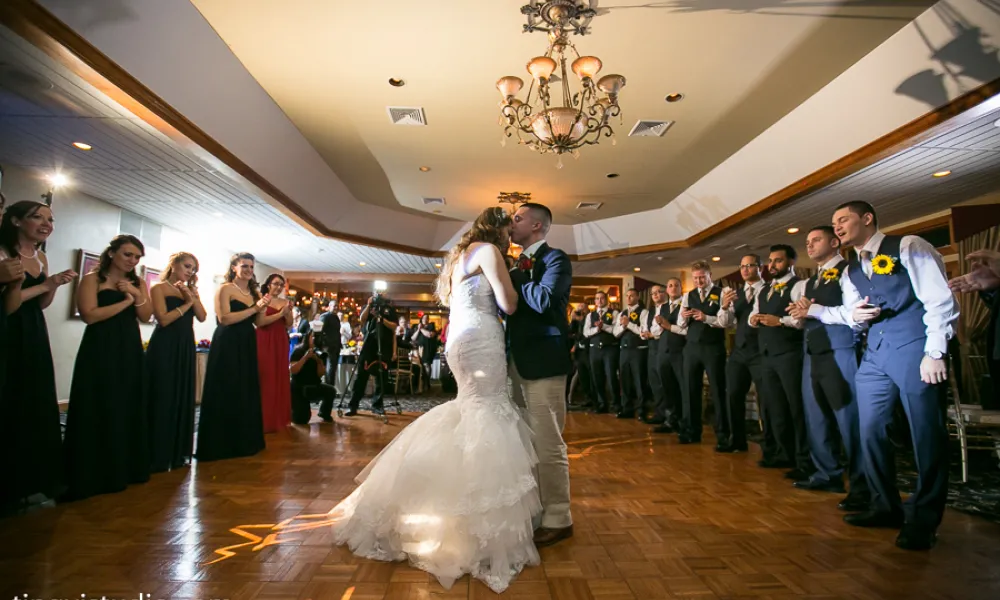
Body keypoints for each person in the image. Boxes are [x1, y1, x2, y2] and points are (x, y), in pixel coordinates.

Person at [328, 206, 539, 593]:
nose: (512, 237)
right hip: (482, 340)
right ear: (499, 230)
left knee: (469, 410)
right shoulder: (490, 253)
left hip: (461, 339)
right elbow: (508, 304)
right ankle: (477, 525)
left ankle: (449, 508)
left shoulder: (462, 257)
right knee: (487, 413)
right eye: (510, 230)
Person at [804, 201, 957, 550]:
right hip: (875, 354)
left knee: (926, 435)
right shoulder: (851, 269)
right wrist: (832, 312)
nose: (837, 227)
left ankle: (923, 518)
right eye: (834, 222)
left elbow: (939, 301)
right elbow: (851, 313)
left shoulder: (908, 247)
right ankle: (884, 505)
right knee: (869, 430)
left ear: (867, 218)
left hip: (916, 348)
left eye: (843, 219)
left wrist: (935, 352)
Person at [62, 235, 153, 500]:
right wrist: (126, 301)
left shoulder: (136, 283)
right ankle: (91, 471)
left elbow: (146, 316)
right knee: (98, 401)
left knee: (126, 401)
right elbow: (89, 315)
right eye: (127, 254)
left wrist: (136, 295)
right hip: (100, 347)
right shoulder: (93, 279)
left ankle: (124, 467)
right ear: (112, 253)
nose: (132, 261)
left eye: (136, 257)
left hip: (129, 346)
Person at [505, 202, 574, 547]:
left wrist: (514, 277)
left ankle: (559, 517)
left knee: (548, 444)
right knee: (523, 443)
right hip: (515, 364)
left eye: (517, 218)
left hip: (545, 363)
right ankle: (534, 510)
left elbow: (546, 301)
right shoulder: (512, 263)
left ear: (536, 226)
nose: (510, 222)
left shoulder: (556, 259)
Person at [0, 201, 75, 512]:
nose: (46, 224)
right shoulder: (4, 254)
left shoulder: (41, 256)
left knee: (33, 400)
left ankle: (31, 481)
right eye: (38, 218)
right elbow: (10, 306)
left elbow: (40, 304)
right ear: (16, 221)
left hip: (33, 330)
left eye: (50, 219)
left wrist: (52, 285)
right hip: (9, 331)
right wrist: (44, 284)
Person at [196, 252, 269, 462]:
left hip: (247, 340)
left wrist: (263, 307)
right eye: (244, 266)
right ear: (234, 267)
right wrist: (255, 308)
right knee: (226, 385)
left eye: (251, 267)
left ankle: (244, 441)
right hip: (227, 341)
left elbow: (260, 323)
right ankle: (221, 443)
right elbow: (225, 318)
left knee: (244, 387)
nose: (248, 270)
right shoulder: (225, 289)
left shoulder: (254, 292)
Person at [146, 251, 207, 473]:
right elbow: (163, 319)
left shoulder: (190, 291)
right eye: (187, 266)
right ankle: (157, 452)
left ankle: (177, 450)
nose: (190, 271)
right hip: (164, 344)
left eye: (193, 269)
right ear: (174, 265)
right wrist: (186, 304)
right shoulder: (159, 288)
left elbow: (202, 317)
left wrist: (193, 297)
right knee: (163, 394)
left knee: (182, 394)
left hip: (184, 345)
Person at [344, 293, 398, 416]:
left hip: (384, 348)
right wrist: (368, 306)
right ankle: (353, 405)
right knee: (361, 378)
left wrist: (382, 319)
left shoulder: (389, 309)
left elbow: (394, 326)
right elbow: (362, 319)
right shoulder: (368, 306)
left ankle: (377, 405)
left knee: (381, 378)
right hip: (369, 346)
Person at [256, 273, 293, 433]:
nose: (278, 287)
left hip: (280, 339)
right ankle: (264, 418)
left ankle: (278, 417)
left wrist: (288, 312)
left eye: (281, 285)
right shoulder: (262, 299)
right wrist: (280, 314)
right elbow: (260, 322)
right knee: (266, 375)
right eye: (275, 284)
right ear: (268, 284)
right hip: (264, 338)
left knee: (280, 375)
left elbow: (289, 325)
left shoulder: (285, 302)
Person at [289, 332, 338, 425]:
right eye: (313, 336)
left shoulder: (320, 353)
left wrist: (319, 361)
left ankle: (324, 412)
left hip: (313, 385)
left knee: (331, 390)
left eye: (317, 336)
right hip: (299, 387)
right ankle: (292, 410)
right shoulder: (298, 351)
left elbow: (321, 374)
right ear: (307, 337)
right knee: (301, 420)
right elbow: (293, 370)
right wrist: (305, 357)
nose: (315, 339)